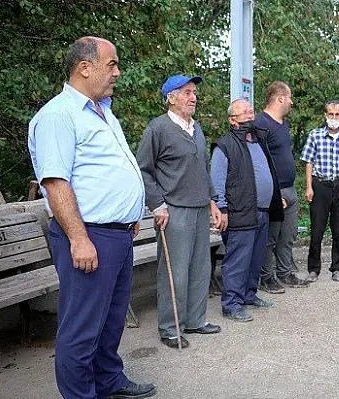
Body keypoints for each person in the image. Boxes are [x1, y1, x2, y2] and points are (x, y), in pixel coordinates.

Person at [28, 37, 155, 399]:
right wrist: (79, 238)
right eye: (111, 64)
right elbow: (56, 182)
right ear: (85, 67)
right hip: (88, 237)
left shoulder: (102, 110)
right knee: (81, 329)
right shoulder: (58, 115)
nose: (117, 72)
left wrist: (128, 214)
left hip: (116, 235)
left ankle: (109, 381)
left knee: (112, 320)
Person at [136, 74, 223, 349]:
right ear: (171, 98)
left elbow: (204, 170)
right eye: (186, 92)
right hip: (173, 211)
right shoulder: (158, 129)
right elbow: (143, 170)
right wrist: (157, 205)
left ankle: (196, 320)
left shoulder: (196, 129)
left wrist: (213, 202)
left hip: (199, 208)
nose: (192, 97)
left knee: (200, 268)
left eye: (193, 92)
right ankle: (171, 327)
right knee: (175, 271)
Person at [211, 99, 284, 322]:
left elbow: (266, 172)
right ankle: (231, 304)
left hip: (262, 210)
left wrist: (275, 197)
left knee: (255, 257)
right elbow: (217, 179)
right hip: (239, 211)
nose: (251, 116)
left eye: (251, 111)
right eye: (245, 113)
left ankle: (249, 295)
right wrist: (221, 208)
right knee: (238, 259)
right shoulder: (225, 145)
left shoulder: (258, 141)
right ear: (233, 120)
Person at [256, 81, 309, 293]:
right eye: (289, 97)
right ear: (280, 98)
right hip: (273, 191)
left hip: (290, 188)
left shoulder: (283, 124)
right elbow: (260, 163)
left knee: (288, 235)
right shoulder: (261, 124)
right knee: (270, 237)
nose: (291, 102)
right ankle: (267, 277)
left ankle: (285, 272)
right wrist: (273, 193)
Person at [301, 100, 339, 283]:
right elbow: (309, 162)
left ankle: (336, 268)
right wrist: (309, 186)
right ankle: (313, 269)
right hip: (320, 185)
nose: (334, 118)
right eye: (331, 114)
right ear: (325, 115)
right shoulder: (315, 136)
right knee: (317, 229)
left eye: (337, 115)